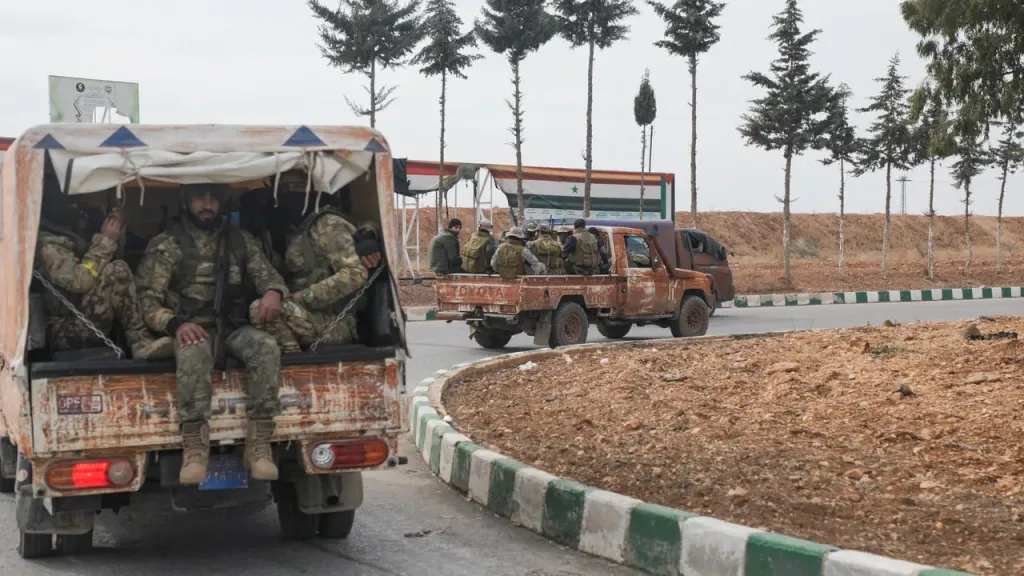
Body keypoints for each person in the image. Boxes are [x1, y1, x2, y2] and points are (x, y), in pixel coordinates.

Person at [136, 183, 289, 485]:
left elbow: (267, 275)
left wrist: (273, 292)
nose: (207, 204)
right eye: (199, 197)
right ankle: (195, 447)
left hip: (231, 326)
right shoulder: (167, 244)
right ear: (186, 202)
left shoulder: (240, 241)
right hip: (190, 327)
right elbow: (147, 299)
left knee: (266, 346)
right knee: (193, 351)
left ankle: (258, 446)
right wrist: (176, 324)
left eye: (213, 198)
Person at [248, 176, 382, 353]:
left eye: (298, 186)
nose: (291, 193)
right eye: (285, 188)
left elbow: (355, 274)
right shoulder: (291, 230)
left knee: (262, 309)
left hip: (337, 322)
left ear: (312, 192)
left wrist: (301, 298)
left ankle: (294, 365)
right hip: (305, 317)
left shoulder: (327, 224)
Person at [35, 195, 172, 360]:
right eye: (70, 201)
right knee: (116, 271)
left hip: (84, 317)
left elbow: (103, 261)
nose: (76, 205)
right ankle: (139, 341)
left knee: (116, 268)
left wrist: (115, 228)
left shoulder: (74, 231)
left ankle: (141, 341)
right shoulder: (47, 246)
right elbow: (80, 281)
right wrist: (106, 240)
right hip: (63, 332)